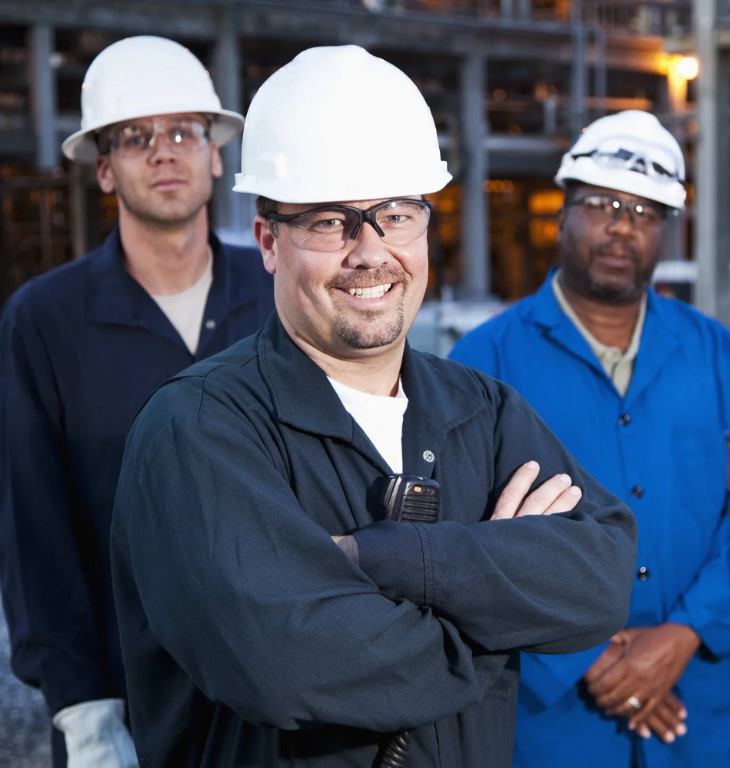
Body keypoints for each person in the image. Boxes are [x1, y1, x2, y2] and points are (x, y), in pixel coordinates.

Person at [108, 45, 637, 768]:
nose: (371, 252)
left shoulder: (479, 411)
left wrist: (388, 560)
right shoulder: (198, 431)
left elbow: (603, 576)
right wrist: (492, 613)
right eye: (330, 222)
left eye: (395, 215)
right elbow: (285, 666)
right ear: (268, 240)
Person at [450, 110, 730, 768]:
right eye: (601, 203)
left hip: (699, 711)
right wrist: (583, 659)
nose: (622, 224)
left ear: (665, 231)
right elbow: (463, 540)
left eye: (645, 210)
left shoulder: (716, 355)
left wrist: (684, 635)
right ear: (563, 212)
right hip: (550, 723)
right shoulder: (484, 362)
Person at [0, 36, 274, 768]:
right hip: (127, 708)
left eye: (184, 131)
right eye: (137, 137)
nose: (164, 152)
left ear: (216, 154)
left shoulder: (280, 299)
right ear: (105, 170)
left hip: (277, 694)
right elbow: (36, 534)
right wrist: (84, 717)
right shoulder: (45, 320)